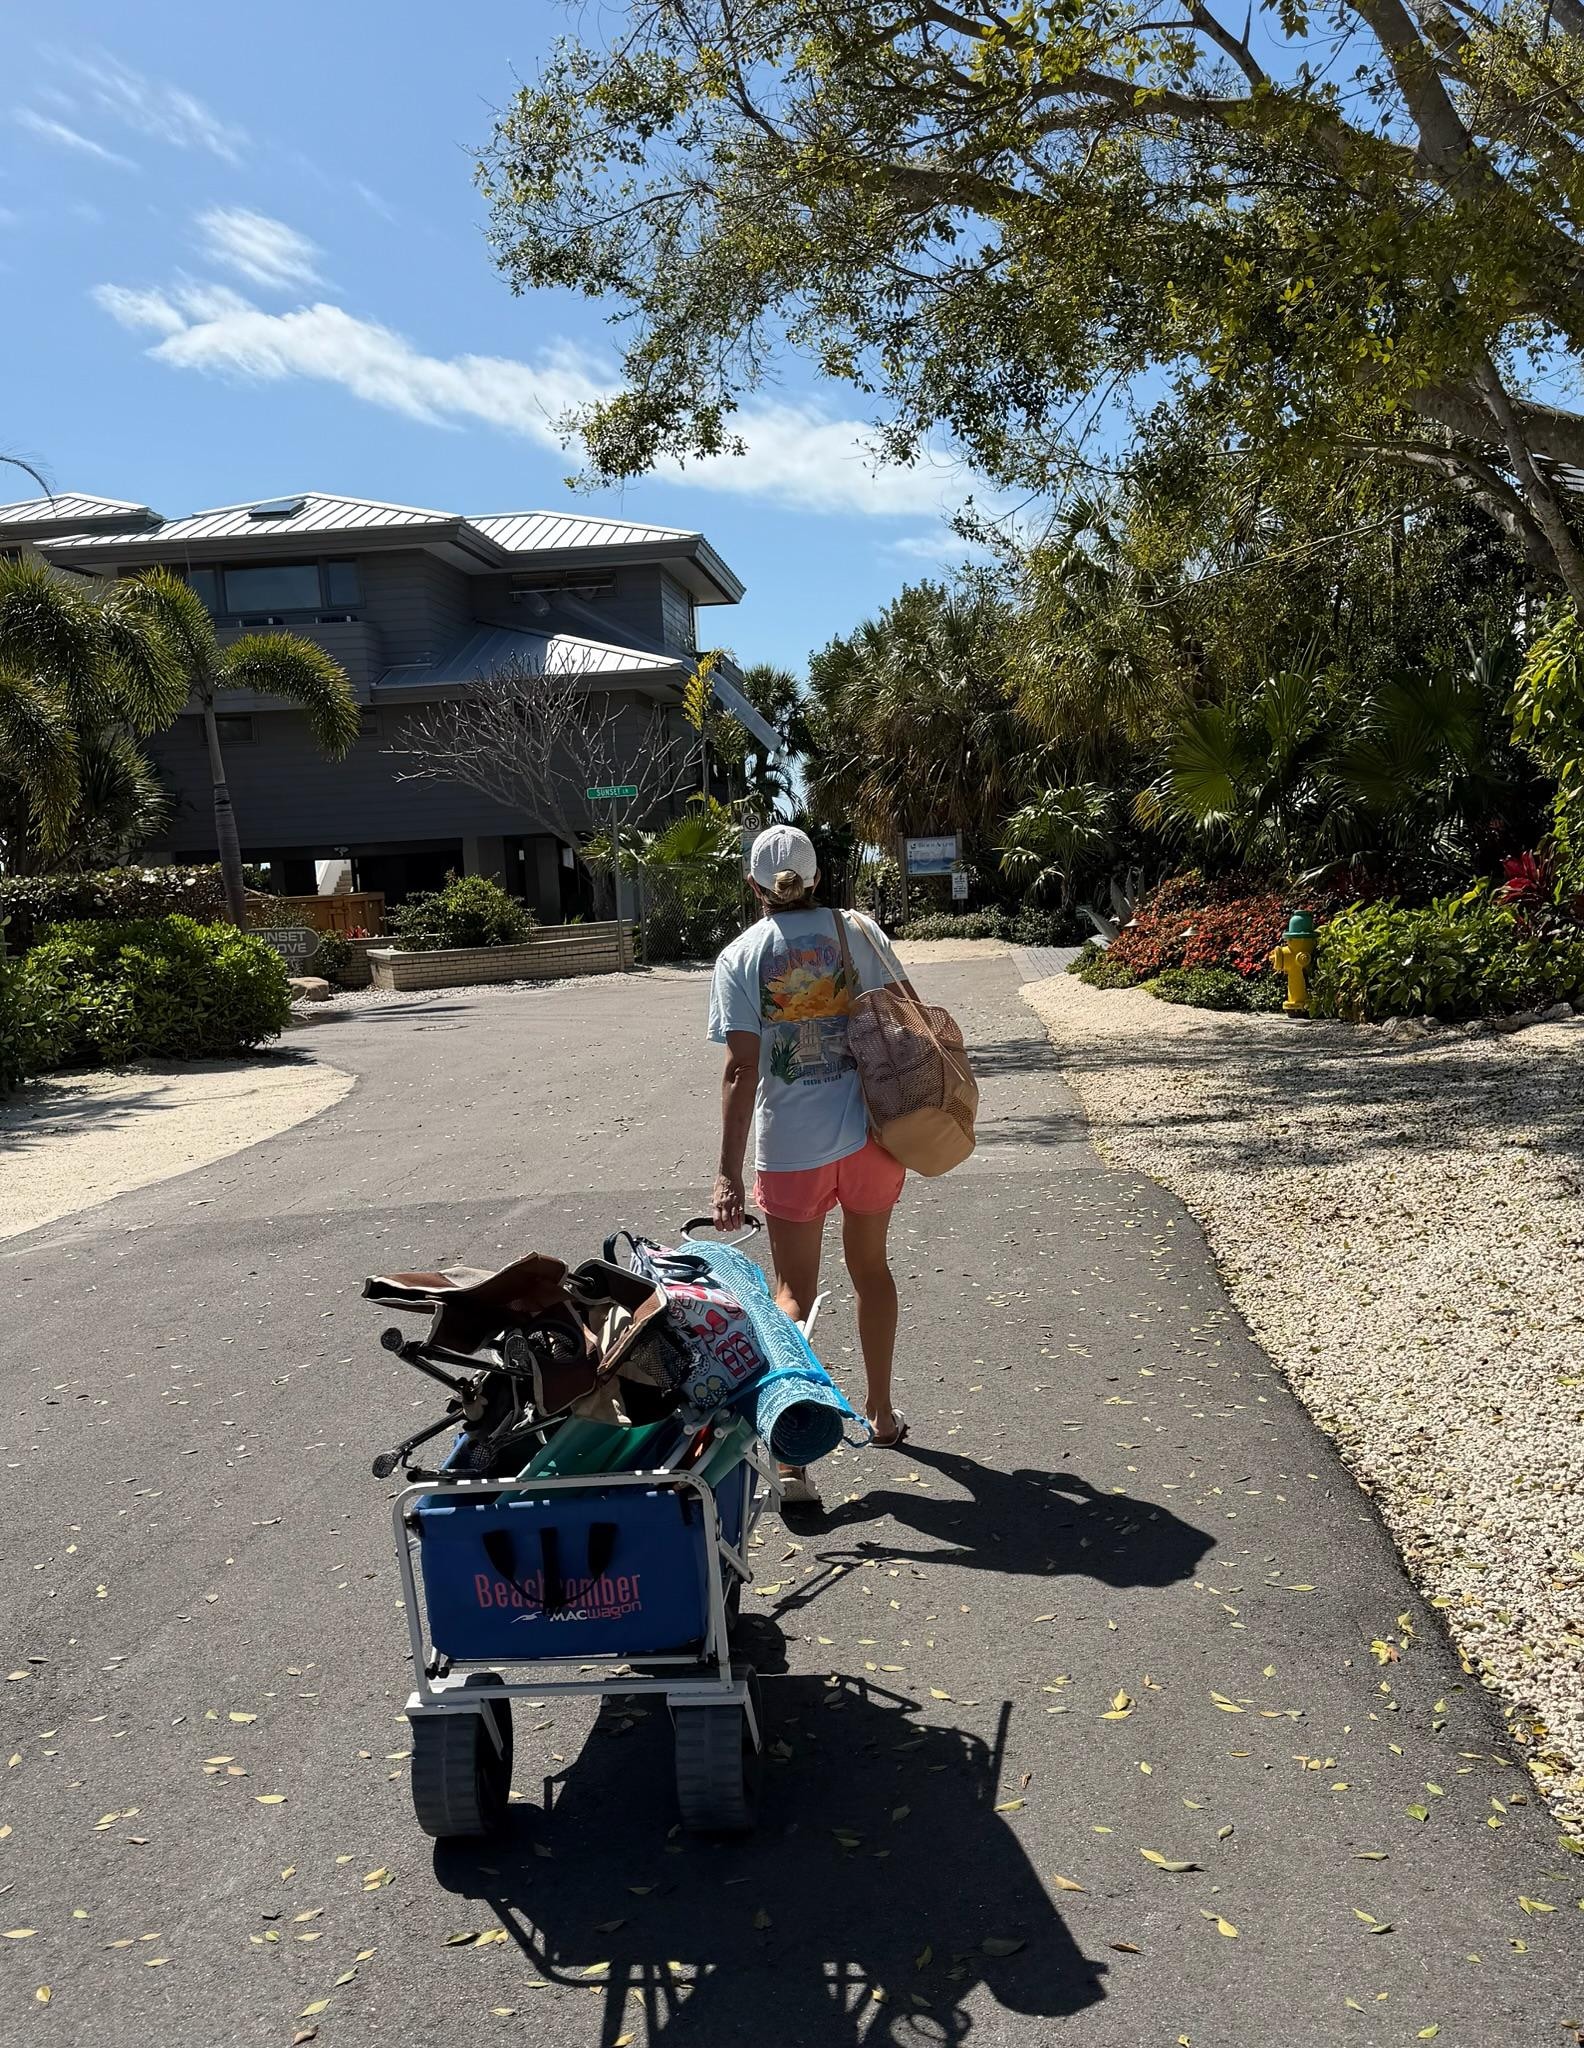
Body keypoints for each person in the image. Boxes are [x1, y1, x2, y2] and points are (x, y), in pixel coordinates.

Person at [708, 823, 912, 1505]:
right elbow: (908, 1017)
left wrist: (727, 1172)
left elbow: (741, 1070)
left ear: (753, 884)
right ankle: (881, 1414)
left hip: (792, 1147)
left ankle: (792, 1459)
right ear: (817, 876)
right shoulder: (860, 932)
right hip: (872, 1136)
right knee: (872, 1271)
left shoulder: (740, 956)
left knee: (792, 1293)